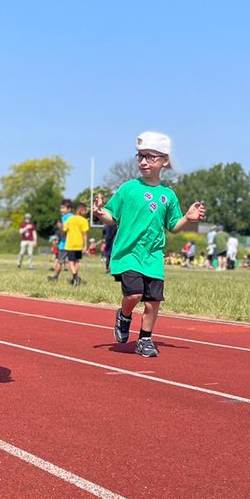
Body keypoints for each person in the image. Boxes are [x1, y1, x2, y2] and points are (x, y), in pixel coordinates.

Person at [93, 131, 205, 357]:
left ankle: (145, 339)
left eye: (150, 157)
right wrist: (100, 213)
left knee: (153, 302)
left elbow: (173, 225)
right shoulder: (128, 189)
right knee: (134, 295)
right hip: (129, 254)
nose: (144, 162)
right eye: (141, 156)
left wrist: (187, 218)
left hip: (153, 256)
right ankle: (124, 315)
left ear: (164, 160)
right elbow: (112, 217)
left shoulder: (168, 195)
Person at [62, 202, 90, 287]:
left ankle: (74, 276)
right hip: (79, 244)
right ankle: (76, 278)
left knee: (70, 261)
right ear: (80, 210)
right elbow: (85, 234)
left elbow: (64, 230)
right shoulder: (84, 221)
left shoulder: (70, 219)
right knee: (77, 261)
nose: (86, 212)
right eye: (85, 210)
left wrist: (64, 235)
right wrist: (85, 245)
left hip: (70, 244)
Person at [47, 200, 74, 281]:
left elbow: (64, 230)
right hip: (73, 243)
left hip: (64, 243)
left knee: (59, 261)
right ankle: (75, 277)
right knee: (73, 262)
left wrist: (60, 226)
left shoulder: (64, 218)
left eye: (63, 208)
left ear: (69, 209)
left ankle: (55, 277)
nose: (61, 210)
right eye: (60, 208)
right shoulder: (74, 217)